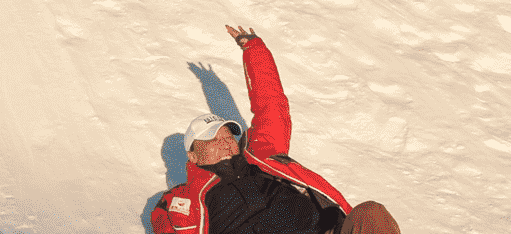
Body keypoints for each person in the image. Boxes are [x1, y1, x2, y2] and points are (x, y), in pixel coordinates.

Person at [152, 25, 400, 234]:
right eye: (211, 138)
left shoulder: (261, 155)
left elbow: (272, 106)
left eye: (228, 135)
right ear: (193, 156)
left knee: (371, 213)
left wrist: (254, 50)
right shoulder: (186, 198)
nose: (225, 142)